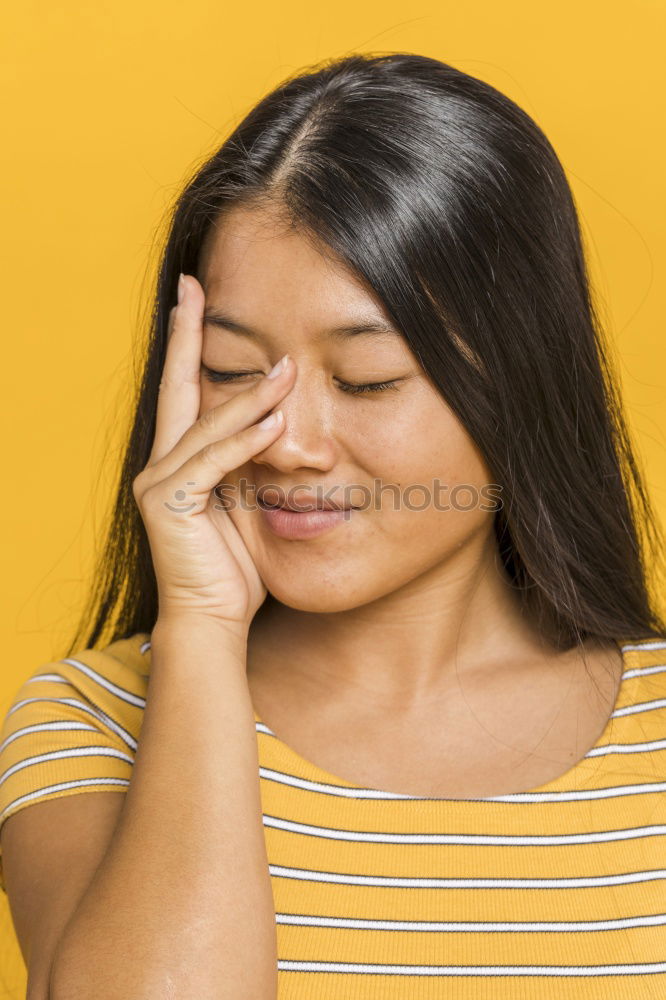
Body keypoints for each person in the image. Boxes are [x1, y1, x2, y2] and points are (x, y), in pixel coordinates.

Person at [1, 51, 665, 999]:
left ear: (520, 376)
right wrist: (199, 628)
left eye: (368, 379)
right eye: (231, 372)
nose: (289, 446)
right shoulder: (90, 724)